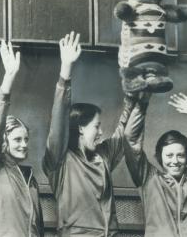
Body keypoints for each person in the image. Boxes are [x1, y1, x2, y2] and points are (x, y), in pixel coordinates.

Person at [43, 31, 147, 236]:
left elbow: (123, 129)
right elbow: (58, 121)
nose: (101, 132)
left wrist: (133, 92)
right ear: (80, 128)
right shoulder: (60, 161)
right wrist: (66, 71)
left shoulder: (104, 155)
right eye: (97, 126)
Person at [123, 92, 187, 237]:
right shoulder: (149, 179)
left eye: (180, 155)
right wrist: (142, 103)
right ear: (160, 156)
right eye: (169, 155)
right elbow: (130, 140)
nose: (175, 161)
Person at [0, 41, 44, 237]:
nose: (24, 145)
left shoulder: (30, 178)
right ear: (4, 142)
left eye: (26, 139)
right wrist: (8, 79)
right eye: (17, 140)